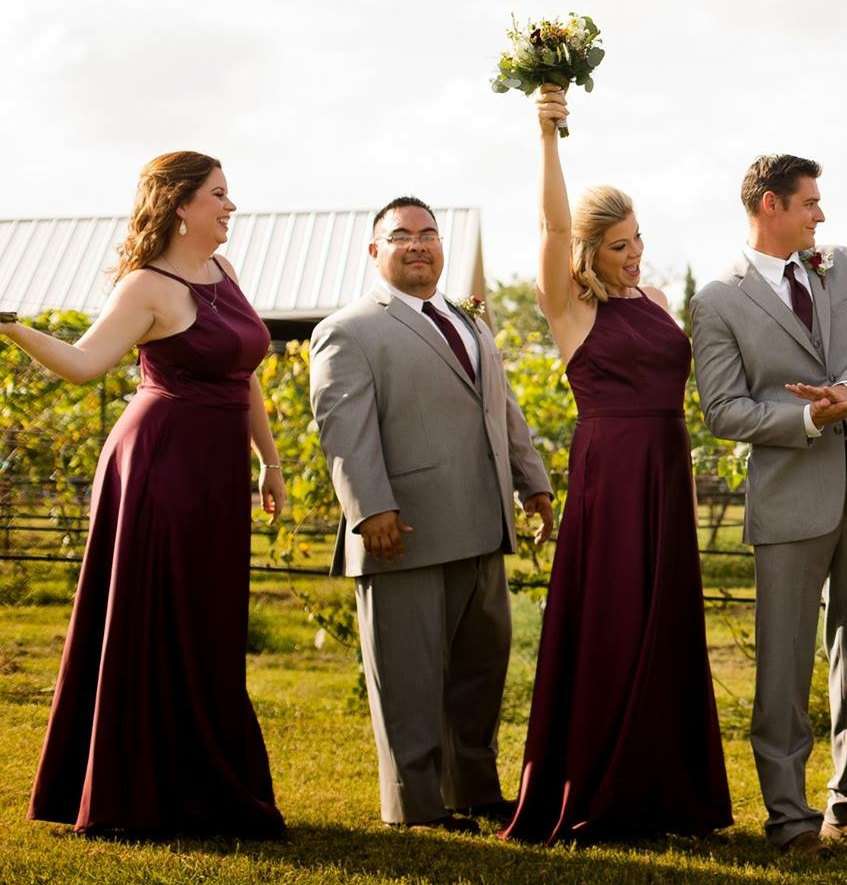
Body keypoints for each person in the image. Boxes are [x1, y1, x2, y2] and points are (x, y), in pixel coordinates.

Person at [7, 151, 285, 837]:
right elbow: (82, 364)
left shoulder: (226, 272)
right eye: (219, 194)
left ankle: (205, 774)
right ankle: (138, 783)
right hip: (159, 465)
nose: (231, 206)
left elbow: (245, 371)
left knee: (208, 620)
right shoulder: (145, 286)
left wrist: (269, 459)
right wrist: (9, 325)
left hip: (218, 470)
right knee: (158, 618)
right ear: (181, 204)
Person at [500, 86, 732, 844]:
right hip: (609, 472)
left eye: (638, 239)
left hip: (666, 471)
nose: (635, 255)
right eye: (619, 245)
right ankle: (602, 781)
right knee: (611, 616)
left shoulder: (659, 299)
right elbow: (552, 221)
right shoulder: (573, 309)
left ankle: (671, 791)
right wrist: (547, 134)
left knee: (664, 622)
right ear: (589, 253)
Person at [309, 197, 554, 832]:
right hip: (402, 529)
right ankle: (415, 807)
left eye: (428, 234)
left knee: (481, 668)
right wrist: (370, 509)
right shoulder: (350, 329)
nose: (418, 246)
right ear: (375, 251)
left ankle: (472, 790)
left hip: (482, 524)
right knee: (409, 678)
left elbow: (500, 408)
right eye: (401, 237)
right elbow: (344, 431)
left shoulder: (469, 321)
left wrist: (534, 484)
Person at [690, 155, 847, 856]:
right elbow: (723, 409)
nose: (821, 215)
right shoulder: (717, 301)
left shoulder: (845, 265)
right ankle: (789, 817)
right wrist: (808, 421)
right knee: (783, 665)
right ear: (770, 206)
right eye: (810, 202)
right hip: (786, 497)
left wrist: (843, 391)